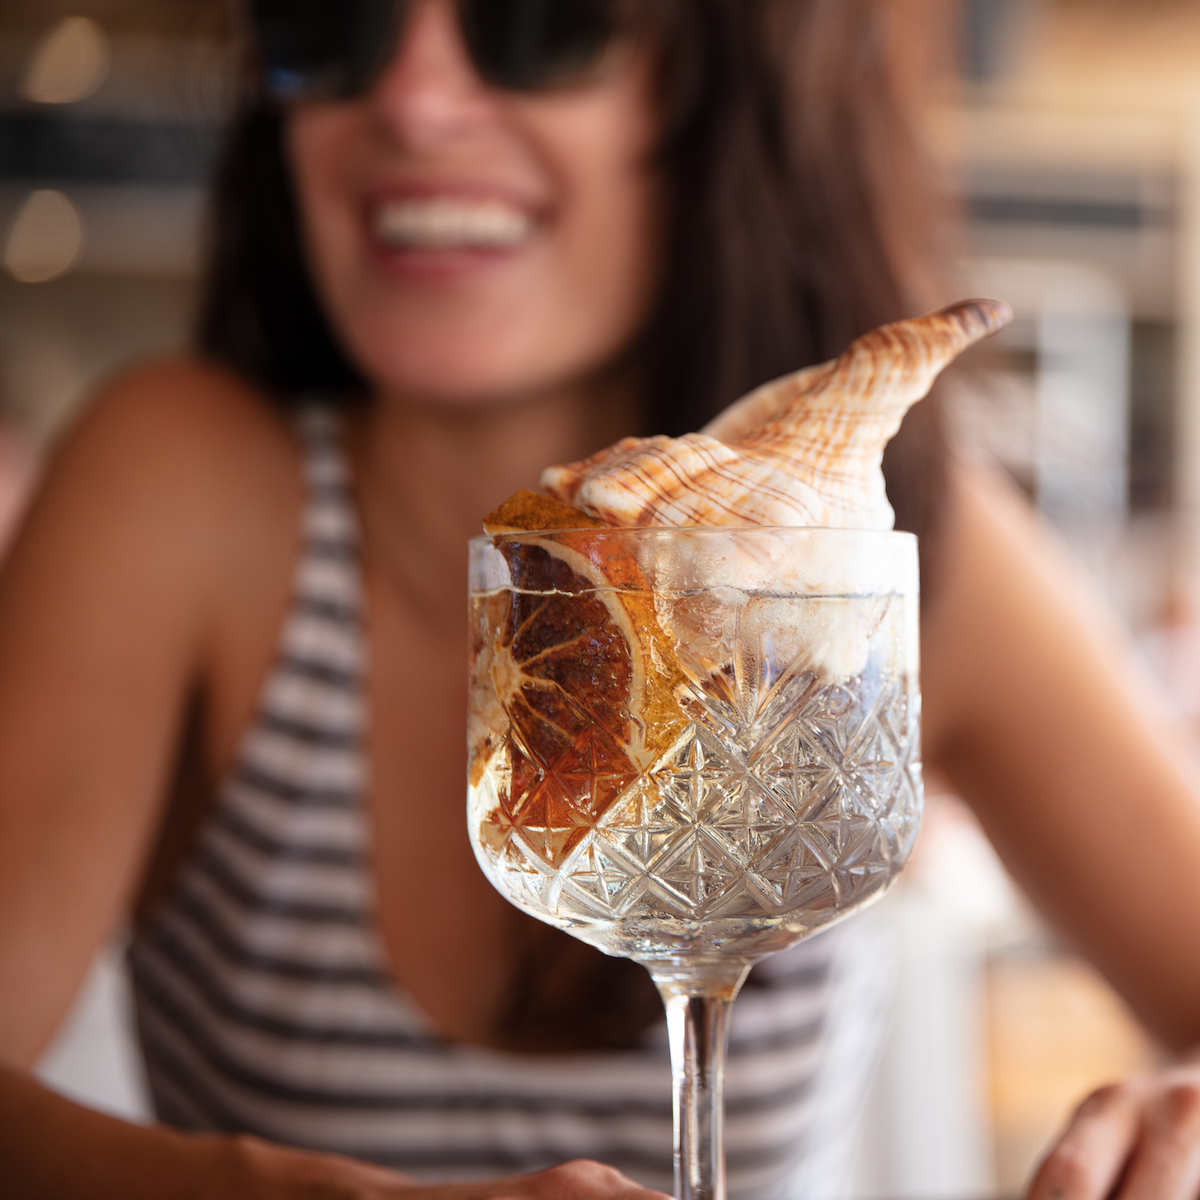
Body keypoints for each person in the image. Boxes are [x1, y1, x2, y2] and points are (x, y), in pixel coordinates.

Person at [3, 2, 1200, 1197]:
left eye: (538, 23)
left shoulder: (891, 547)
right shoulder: (173, 491)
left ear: (721, 89)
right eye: (342, 24)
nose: (412, 101)